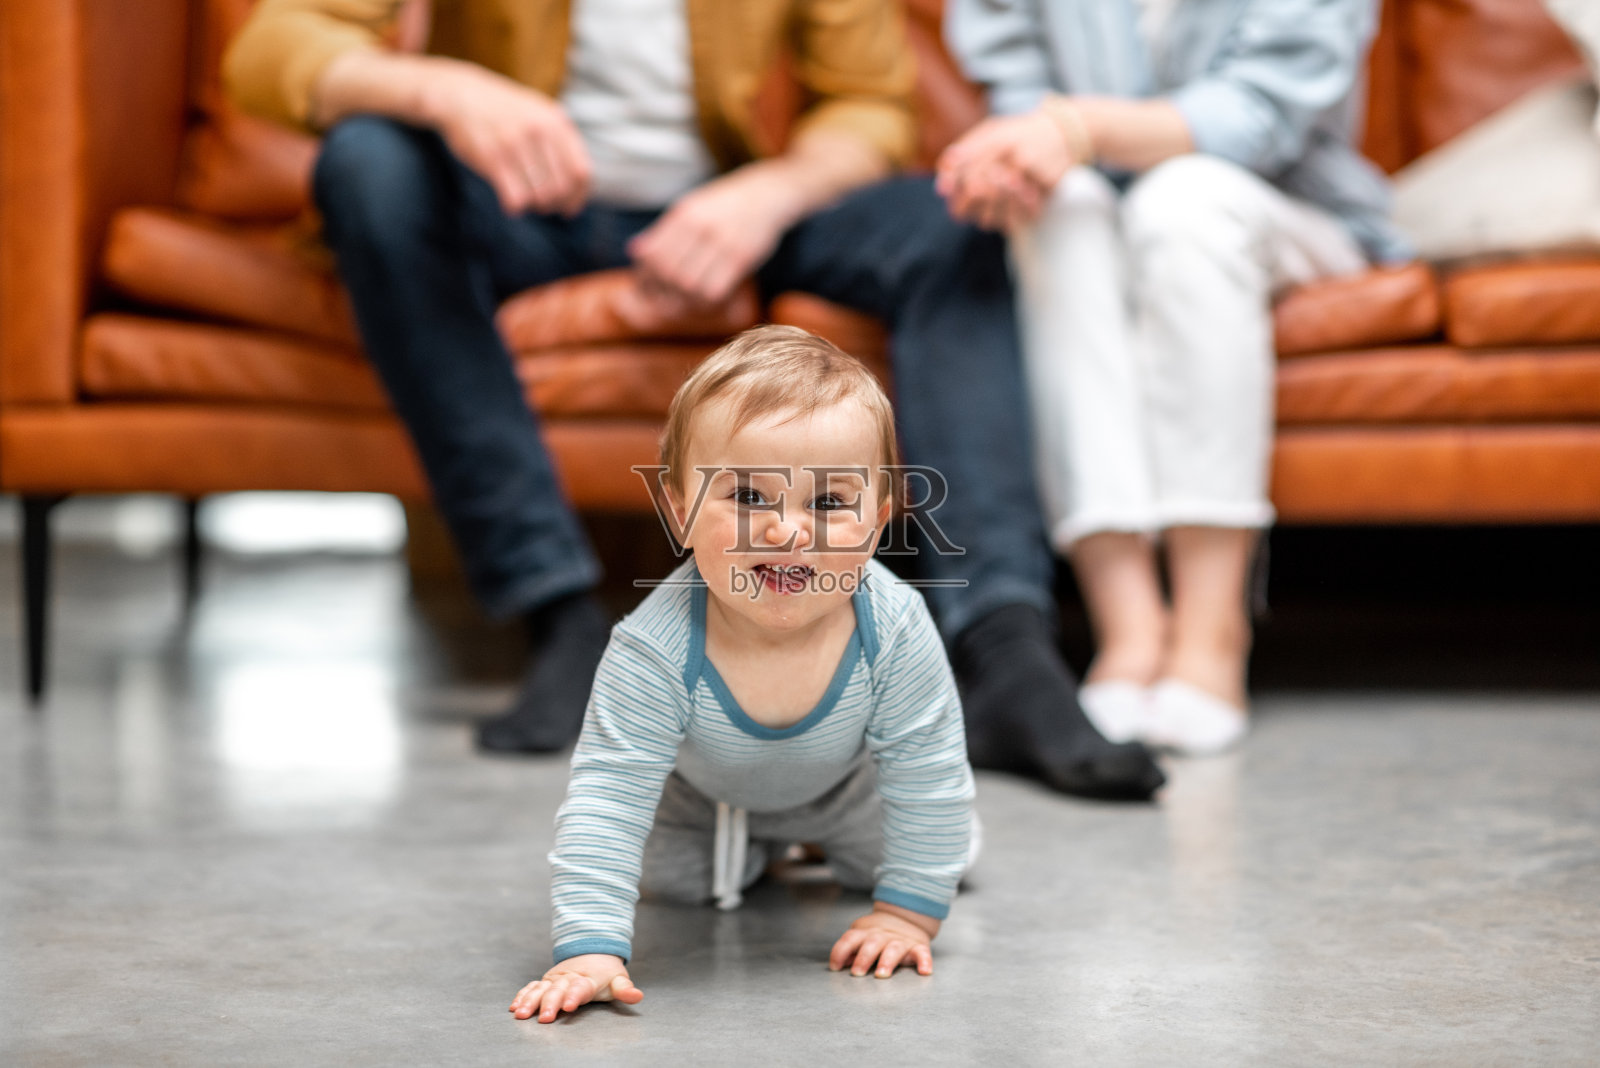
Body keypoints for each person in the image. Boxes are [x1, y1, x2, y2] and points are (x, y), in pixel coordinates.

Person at [225, 0, 1163, 799]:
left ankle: (1002, 648)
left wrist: (768, 195)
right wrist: (446, 90)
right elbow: (274, 44)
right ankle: (557, 616)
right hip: (519, 208)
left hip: (729, 203)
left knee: (952, 225)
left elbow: (870, 106)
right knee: (368, 163)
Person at [939, 0, 1412, 754]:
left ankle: (1211, 624)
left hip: (1281, 204)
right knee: (1059, 209)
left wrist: (1074, 130)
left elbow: (1260, 115)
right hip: (1096, 199)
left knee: (1184, 201)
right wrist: (1025, 157)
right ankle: (1126, 623)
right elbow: (1017, 88)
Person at [509, 327, 974, 1023]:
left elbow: (927, 768)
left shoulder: (895, 625)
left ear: (878, 524)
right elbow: (609, 793)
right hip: (703, 798)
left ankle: (808, 842)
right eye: (749, 498)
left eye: (827, 503)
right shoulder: (654, 647)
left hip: (850, 786)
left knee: (947, 845)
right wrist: (589, 947)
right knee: (668, 881)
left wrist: (906, 915)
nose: (786, 533)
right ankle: (758, 846)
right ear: (679, 511)